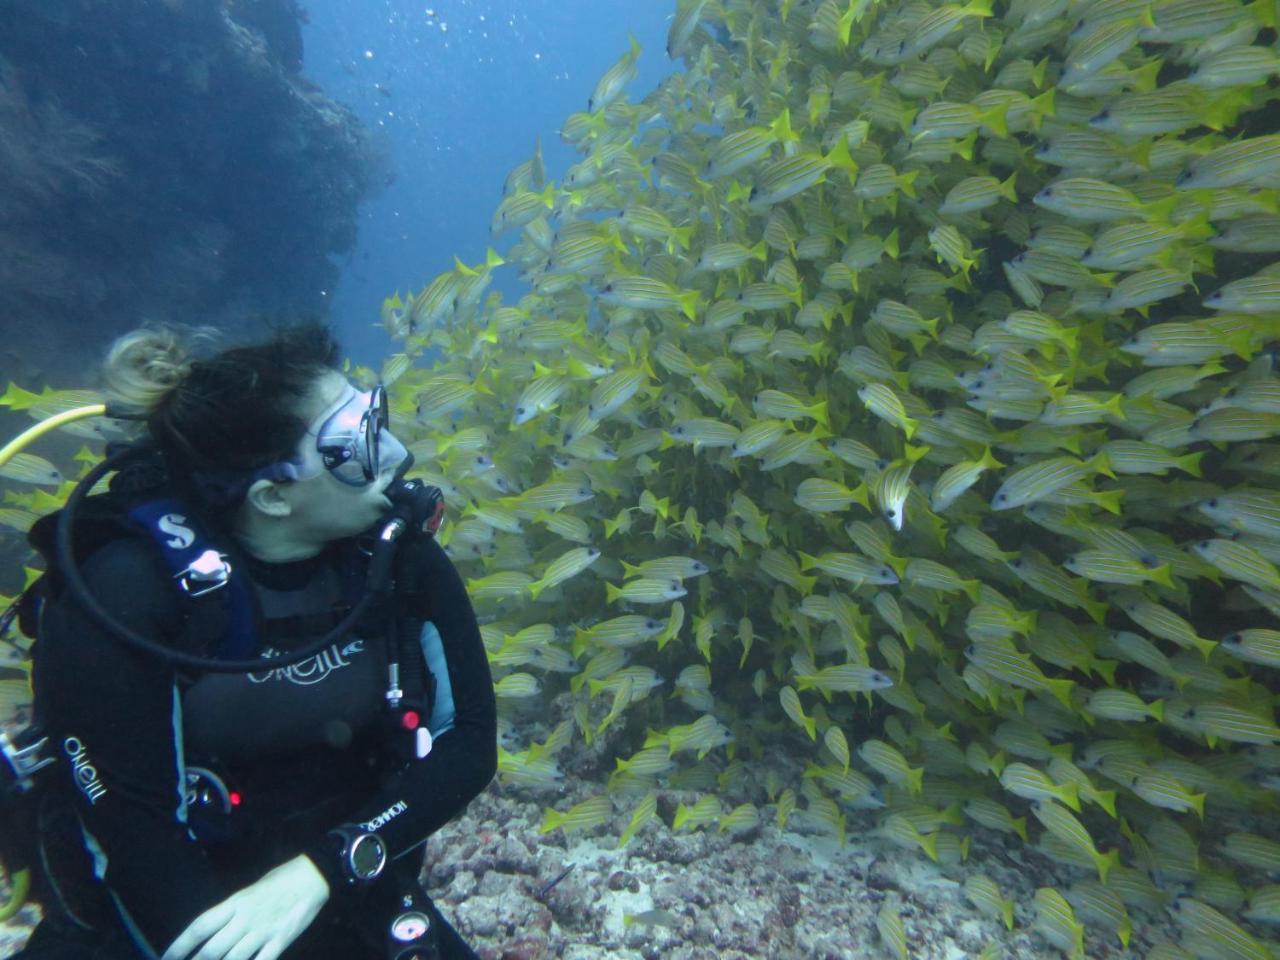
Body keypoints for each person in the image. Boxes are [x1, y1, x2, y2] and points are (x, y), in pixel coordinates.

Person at [13, 323, 497, 960]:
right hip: (155, 910)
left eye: (373, 419)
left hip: (338, 880)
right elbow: (136, 840)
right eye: (351, 446)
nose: (396, 454)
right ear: (272, 496)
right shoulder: (127, 595)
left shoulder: (393, 557)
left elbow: (468, 744)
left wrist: (322, 870)